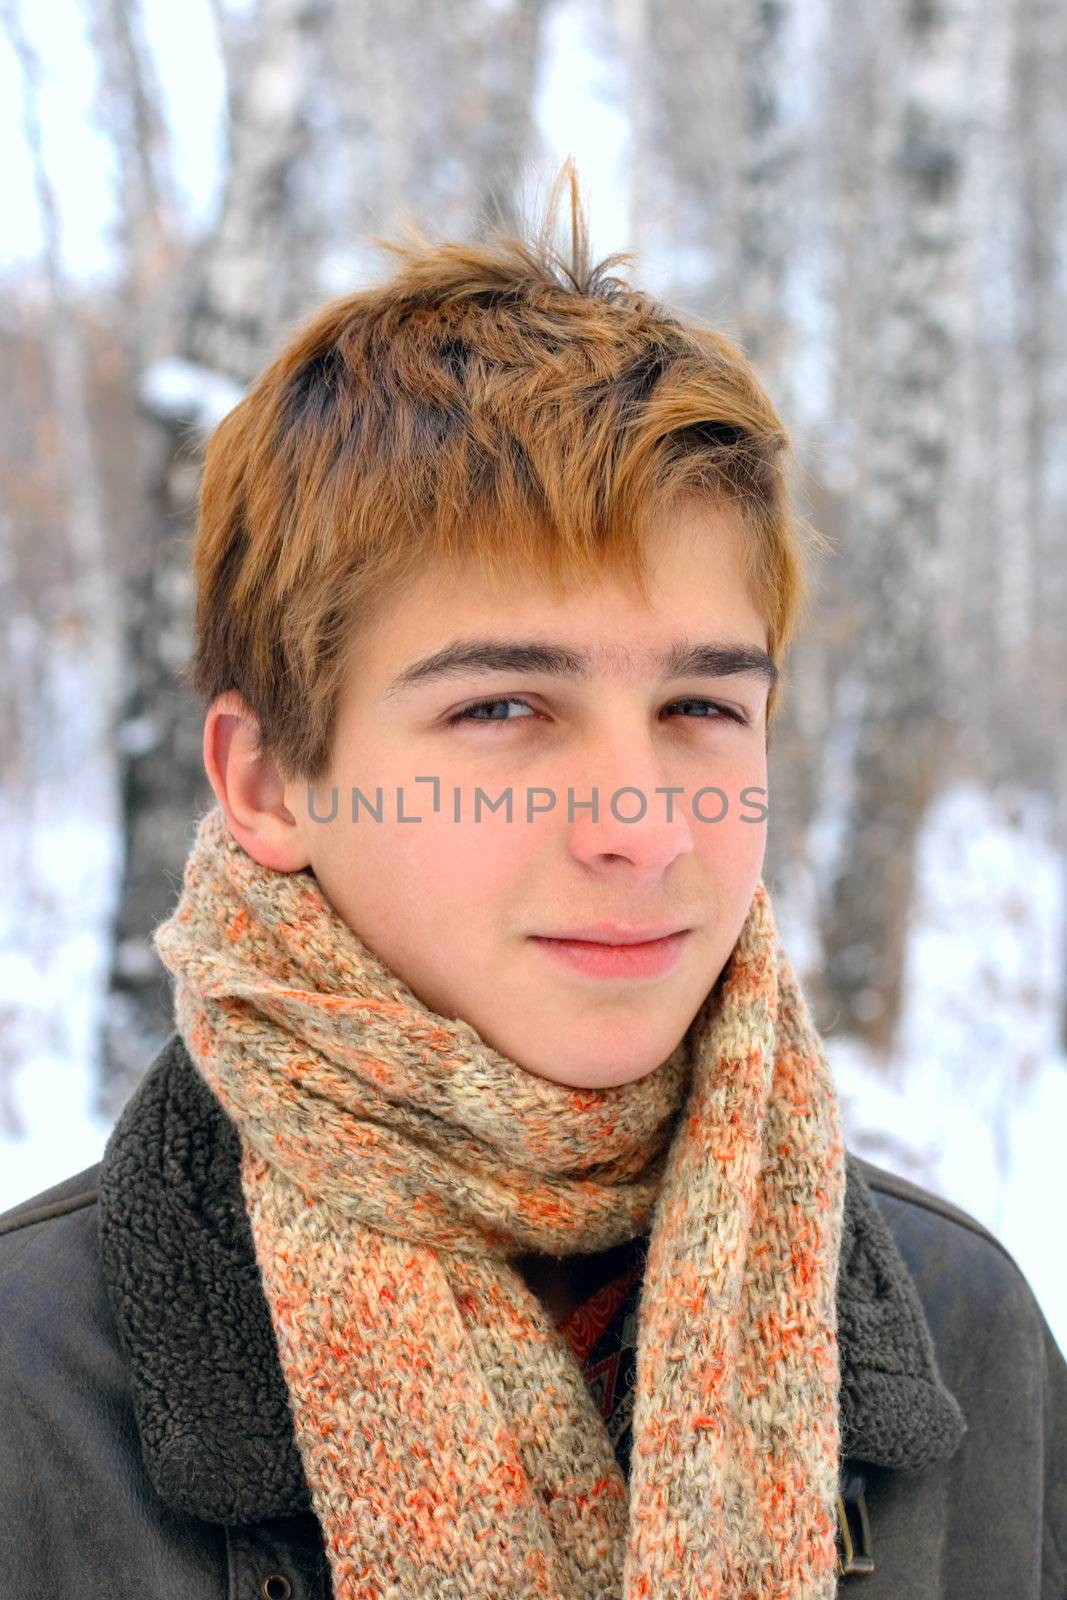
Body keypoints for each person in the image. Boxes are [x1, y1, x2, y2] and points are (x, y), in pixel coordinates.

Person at [1, 164, 1064, 1600]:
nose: (641, 826)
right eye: (503, 709)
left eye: (701, 708)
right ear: (266, 782)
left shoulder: (962, 1338)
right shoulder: (33, 1392)